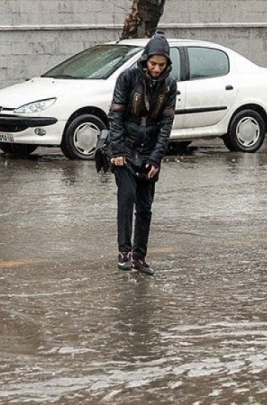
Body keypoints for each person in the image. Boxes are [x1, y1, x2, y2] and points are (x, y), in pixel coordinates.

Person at [108, 33, 177, 275]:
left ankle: (140, 256)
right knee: (126, 198)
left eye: (161, 64)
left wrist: (156, 158)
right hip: (125, 148)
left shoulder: (170, 84)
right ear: (145, 60)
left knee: (145, 208)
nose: (157, 69)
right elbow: (115, 116)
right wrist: (116, 150)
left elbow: (167, 125)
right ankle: (124, 252)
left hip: (149, 150)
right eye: (153, 63)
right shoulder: (127, 78)